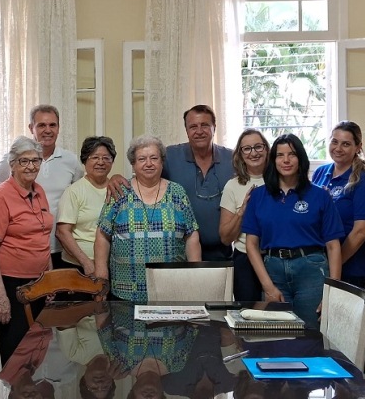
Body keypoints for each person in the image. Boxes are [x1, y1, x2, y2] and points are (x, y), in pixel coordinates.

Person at [241, 134, 344, 329]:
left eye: (292, 154)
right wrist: (268, 286)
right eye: (280, 155)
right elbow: (251, 245)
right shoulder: (259, 196)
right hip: (273, 271)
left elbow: (333, 246)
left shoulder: (320, 195)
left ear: (301, 159)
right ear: (273, 160)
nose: (286, 160)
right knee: (277, 335)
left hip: (311, 270)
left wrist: (333, 292)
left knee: (312, 333)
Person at [107, 105, 234, 261]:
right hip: (181, 252)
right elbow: (146, 173)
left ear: (214, 128)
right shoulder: (171, 156)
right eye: (193, 126)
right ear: (186, 130)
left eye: (205, 125)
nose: (199, 131)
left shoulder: (232, 159)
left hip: (223, 253)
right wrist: (115, 177)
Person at [94, 135, 201, 301]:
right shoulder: (119, 192)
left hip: (171, 291)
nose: (149, 163)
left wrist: (196, 277)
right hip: (125, 292)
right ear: (133, 164)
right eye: (142, 159)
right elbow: (102, 235)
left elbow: (191, 235)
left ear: (162, 162)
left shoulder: (177, 193)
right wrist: (101, 278)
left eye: (154, 158)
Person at [0, 104, 84, 268]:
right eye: (41, 125)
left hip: (61, 248)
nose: (48, 130)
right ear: (31, 128)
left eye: (52, 125)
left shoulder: (70, 160)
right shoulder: (13, 159)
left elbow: (79, 197)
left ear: (58, 128)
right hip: (20, 251)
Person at [0, 136, 54, 364]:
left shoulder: (39, 191)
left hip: (38, 283)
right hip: (11, 285)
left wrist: (49, 280)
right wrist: (1, 297)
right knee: (15, 352)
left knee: (38, 349)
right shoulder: (0, 196)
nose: (31, 166)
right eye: (23, 161)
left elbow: (43, 238)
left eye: (36, 160)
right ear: (12, 164)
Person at [311, 121, 365, 288]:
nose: (338, 148)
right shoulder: (321, 173)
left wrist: (335, 263)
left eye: (346, 144)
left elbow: (361, 231)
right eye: (334, 142)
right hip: (318, 264)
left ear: (358, 147)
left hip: (349, 268)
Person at [219, 128, 270, 301]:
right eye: (247, 149)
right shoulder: (232, 186)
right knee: (248, 316)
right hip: (245, 261)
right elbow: (226, 238)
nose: (253, 153)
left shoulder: (282, 180)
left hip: (276, 258)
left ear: (266, 149)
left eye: (258, 147)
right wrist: (243, 211)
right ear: (240, 154)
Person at [56, 136, 117, 274]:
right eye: (95, 157)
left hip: (112, 264)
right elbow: (62, 232)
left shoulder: (116, 189)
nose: (100, 162)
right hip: (79, 266)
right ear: (85, 160)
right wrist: (86, 263)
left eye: (106, 158)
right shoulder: (74, 191)